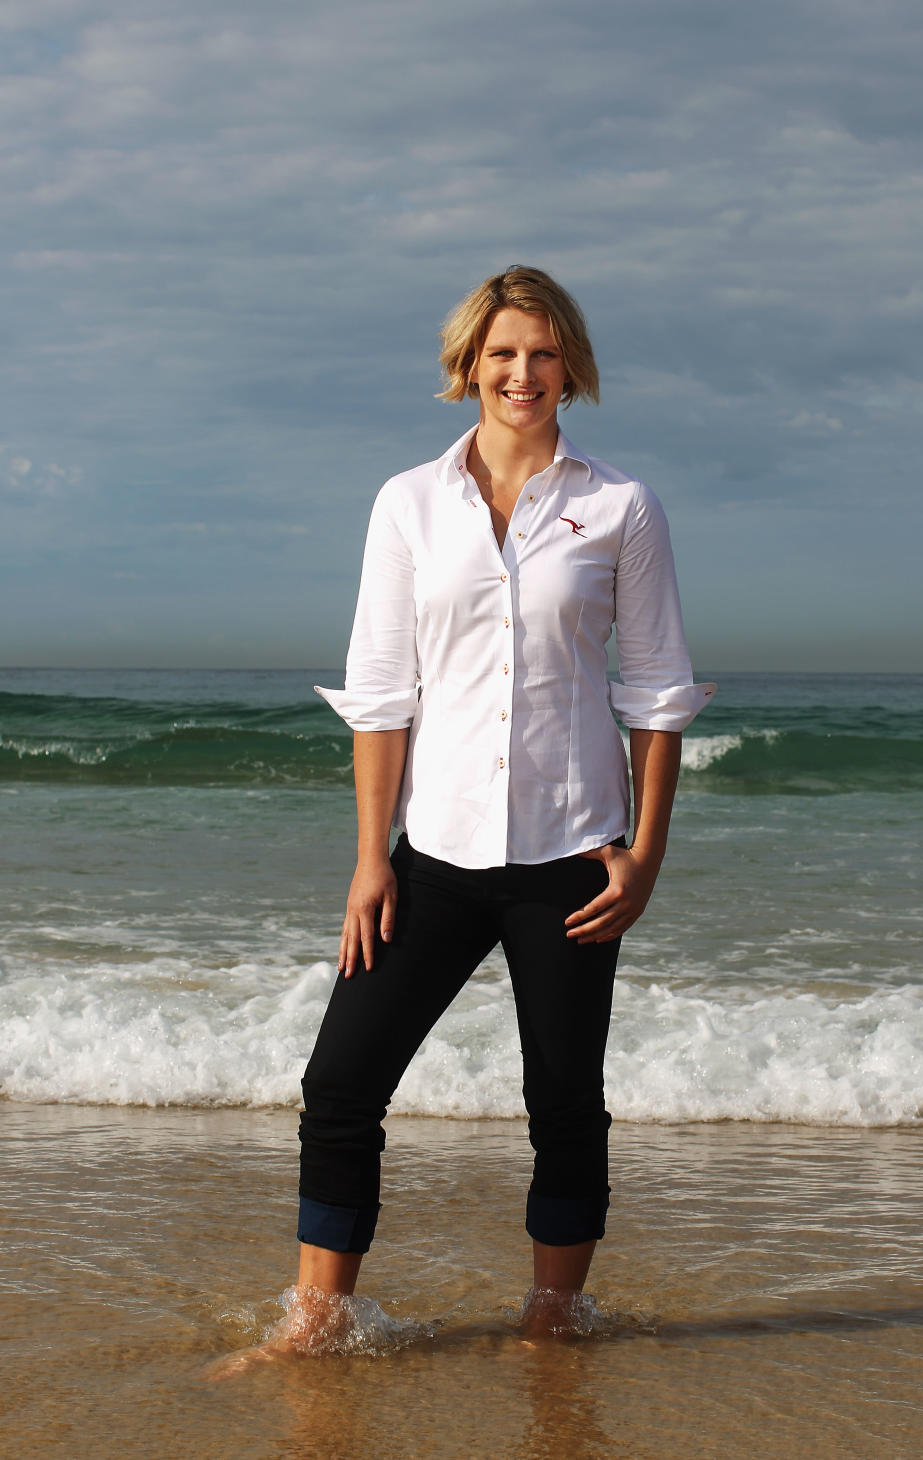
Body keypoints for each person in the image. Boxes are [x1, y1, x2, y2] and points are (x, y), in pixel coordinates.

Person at [294, 266, 714, 1346]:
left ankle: (552, 1313)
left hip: (573, 853)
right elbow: (382, 691)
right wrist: (369, 858)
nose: (520, 372)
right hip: (433, 851)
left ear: (569, 365)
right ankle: (316, 1318)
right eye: (501, 353)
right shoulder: (408, 503)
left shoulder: (620, 506)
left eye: (541, 352)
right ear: (467, 365)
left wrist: (646, 854)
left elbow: (658, 691)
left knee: (564, 1102)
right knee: (340, 1082)